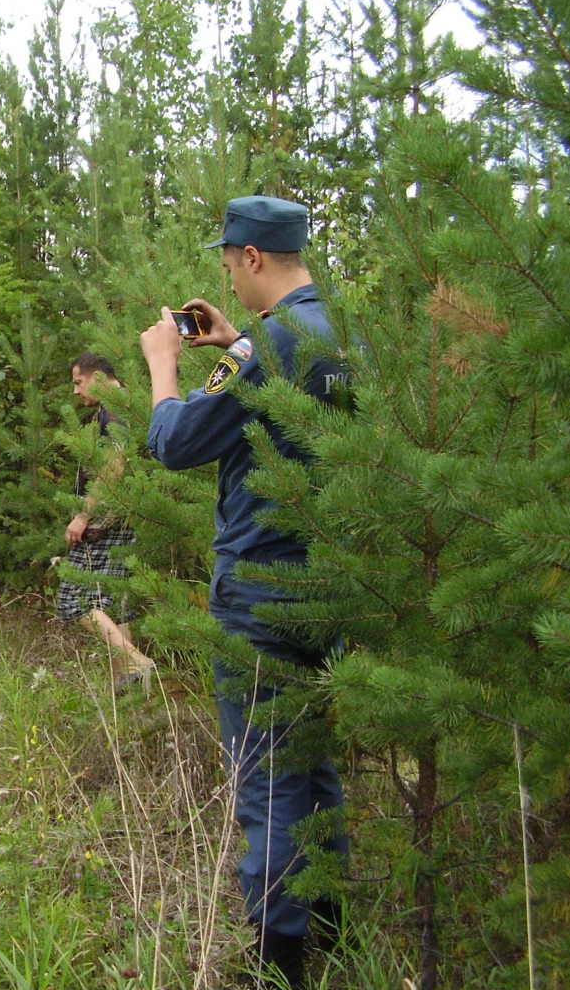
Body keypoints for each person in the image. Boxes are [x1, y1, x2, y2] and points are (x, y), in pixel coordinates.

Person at [138, 196, 350, 989]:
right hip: (326, 587)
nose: (227, 272)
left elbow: (176, 442)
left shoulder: (270, 346)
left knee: (266, 778)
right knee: (313, 763)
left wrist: (165, 364)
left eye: (229, 261)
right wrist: (233, 346)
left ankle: (278, 965)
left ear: (251, 258)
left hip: (259, 593)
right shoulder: (337, 333)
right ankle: (332, 927)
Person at [55, 352, 155, 693]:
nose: (75, 392)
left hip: (108, 523)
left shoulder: (116, 409)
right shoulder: (117, 406)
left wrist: (84, 515)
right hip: (126, 520)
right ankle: (124, 689)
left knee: (75, 601)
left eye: (78, 383)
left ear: (98, 377)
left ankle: (138, 664)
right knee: (112, 606)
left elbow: (115, 466)